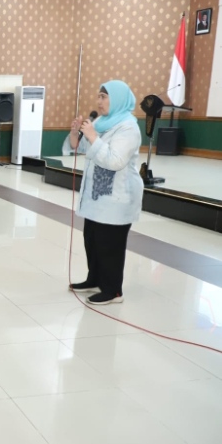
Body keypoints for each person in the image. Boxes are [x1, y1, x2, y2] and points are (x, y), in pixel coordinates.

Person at [68, 80, 144, 306]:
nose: (99, 101)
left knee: (110, 245)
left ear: (118, 99)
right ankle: (95, 279)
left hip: (117, 198)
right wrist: (76, 132)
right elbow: (79, 148)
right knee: (92, 240)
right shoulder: (101, 123)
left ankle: (113, 291)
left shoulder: (128, 128)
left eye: (103, 97)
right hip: (97, 196)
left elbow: (115, 161)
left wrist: (92, 136)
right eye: (98, 96)